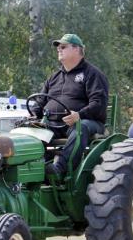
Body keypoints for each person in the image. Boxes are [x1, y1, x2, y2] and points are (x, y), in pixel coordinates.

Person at [32, 34, 108, 179]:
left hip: (87, 123)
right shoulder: (54, 77)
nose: (58, 49)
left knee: (81, 127)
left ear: (76, 49)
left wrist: (79, 115)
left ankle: (60, 169)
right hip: (54, 124)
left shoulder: (92, 74)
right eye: (58, 47)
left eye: (63, 46)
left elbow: (99, 103)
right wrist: (34, 115)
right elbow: (40, 100)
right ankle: (36, 167)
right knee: (30, 131)